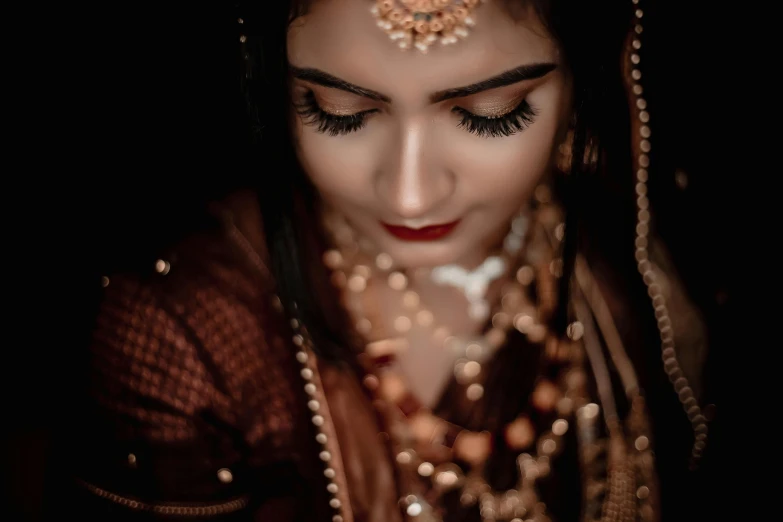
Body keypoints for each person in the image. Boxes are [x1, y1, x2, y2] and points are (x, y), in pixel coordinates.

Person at [40, 1, 715, 521]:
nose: (409, 193)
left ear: (585, 85)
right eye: (337, 112)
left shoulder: (635, 259)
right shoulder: (180, 339)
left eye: (490, 114)